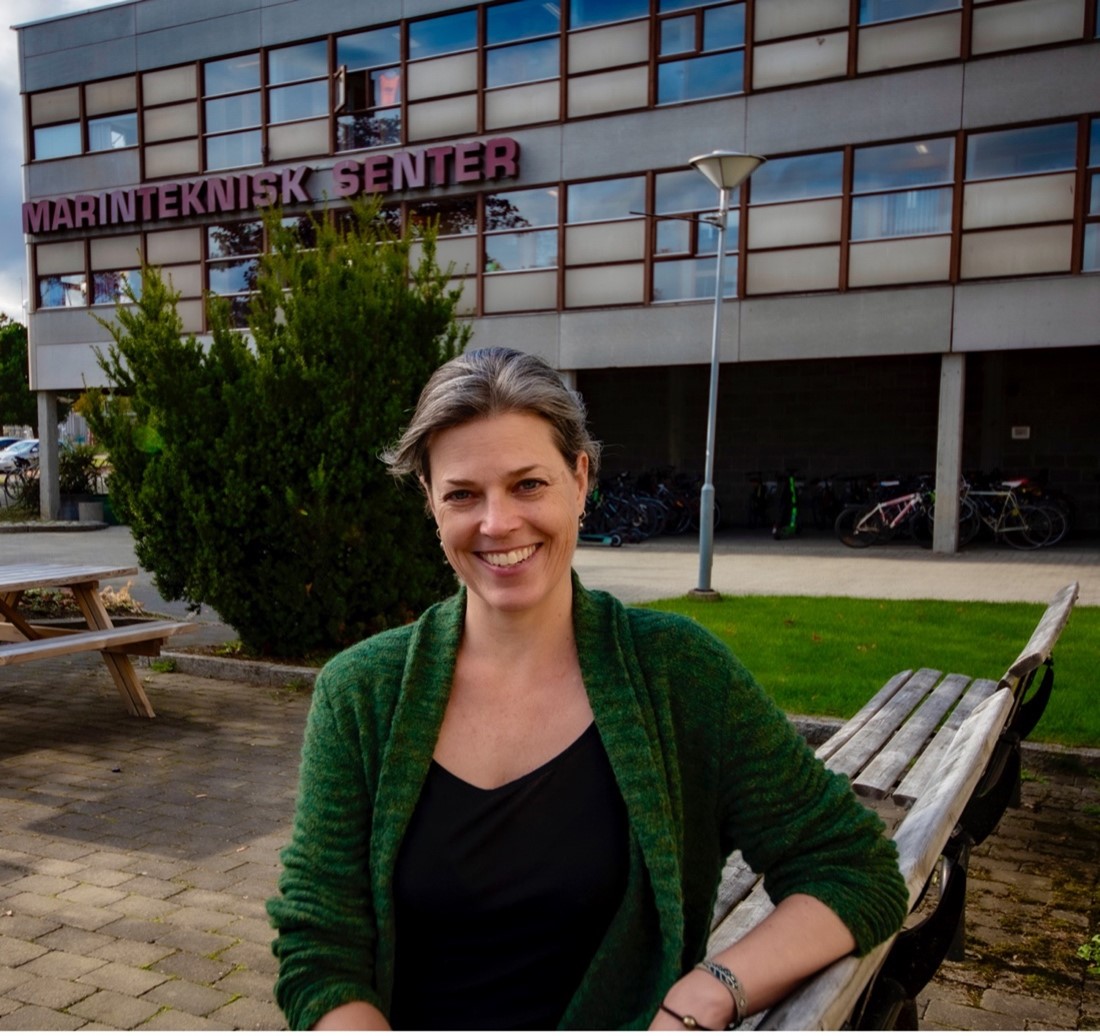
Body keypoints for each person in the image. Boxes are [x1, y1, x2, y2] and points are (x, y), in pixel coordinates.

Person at [267, 347, 908, 1031]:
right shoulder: (360, 693)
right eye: (462, 494)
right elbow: (320, 948)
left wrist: (713, 987)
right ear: (429, 501)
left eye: (528, 485)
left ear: (579, 479)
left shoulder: (678, 673)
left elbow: (852, 869)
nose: (497, 523)